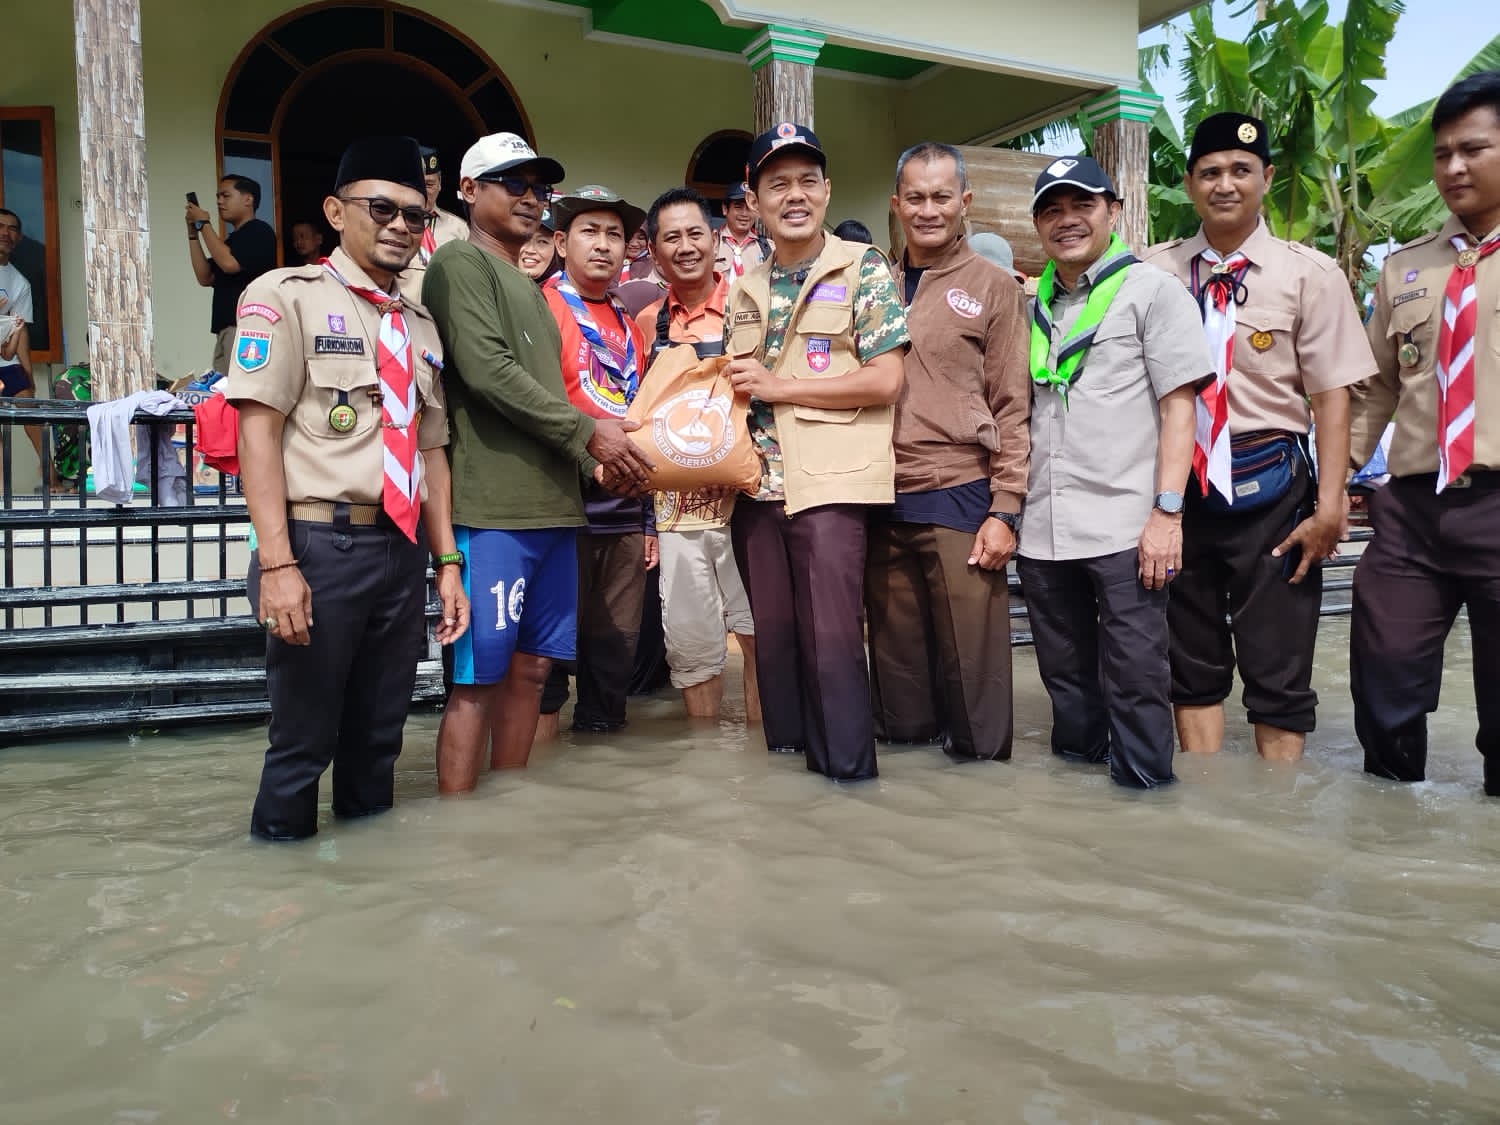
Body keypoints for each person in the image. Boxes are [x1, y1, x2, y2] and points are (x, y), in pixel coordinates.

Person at [224, 136, 468, 841]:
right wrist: (277, 565)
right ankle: (283, 901)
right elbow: (257, 434)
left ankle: (369, 915)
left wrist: (445, 562)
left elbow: (432, 451)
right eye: (381, 208)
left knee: (378, 745)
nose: (399, 226)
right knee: (301, 747)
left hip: (397, 552)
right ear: (336, 211)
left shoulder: (419, 324)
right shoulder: (284, 297)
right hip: (316, 546)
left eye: (415, 216)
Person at [423, 134, 654, 791]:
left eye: (538, 187)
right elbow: (487, 372)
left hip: (558, 510)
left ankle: (511, 810)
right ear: (468, 190)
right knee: (477, 679)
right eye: (511, 183)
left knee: (532, 672)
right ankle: (464, 829)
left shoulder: (529, 285)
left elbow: (548, 396)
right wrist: (592, 436)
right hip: (493, 510)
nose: (530, 198)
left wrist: (600, 462)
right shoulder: (459, 266)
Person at [1143, 112, 1375, 762]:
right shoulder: (1151, 273)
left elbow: (1332, 396)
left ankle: (1279, 812)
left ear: (1266, 178)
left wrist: (1331, 504)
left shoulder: (1312, 274)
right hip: (1178, 493)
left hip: (1273, 491)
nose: (1225, 184)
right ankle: (1212, 814)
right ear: (1189, 183)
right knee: (1190, 666)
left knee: (1279, 674)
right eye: (1210, 171)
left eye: (1241, 170)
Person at [1015, 156, 1212, 790]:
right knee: (1066, 683)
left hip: (1127, 527)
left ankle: (1148, 807)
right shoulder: (1031, 306)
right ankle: (1077, 821)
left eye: (1082, 206)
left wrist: (1167, 512)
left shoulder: (1152, 291)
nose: (1066, 220)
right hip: (1044, 529)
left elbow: (1179, 406)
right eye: (1052, 209)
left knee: (1136, 678)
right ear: (1037, 224)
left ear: (1113, 212)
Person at [725, 122, 909, 782]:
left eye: (807, 181)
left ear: (827, 191)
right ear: (753, 201)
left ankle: (849, 787)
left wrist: (784, 386)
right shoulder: (744, 287)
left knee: (833, 648)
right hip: (754, 493)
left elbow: (887, 376)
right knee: (775, 651)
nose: (794, 195)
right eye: (777, 184)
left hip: (831, 485)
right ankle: (791, 810)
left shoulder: (862, 269)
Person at [1348, 71, 1500, 796]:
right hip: (1409, 510)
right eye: (1442, 154)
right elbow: (1376, 387)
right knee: (1384, 689)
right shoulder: (1405, 268)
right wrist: (1339, 479)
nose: (1453, 168)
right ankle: (1386, 864)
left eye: (1474, 149)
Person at [870, 142, 1029, 761]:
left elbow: (1014, 403)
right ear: (896, 204)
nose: (928, 210)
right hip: (879, 495)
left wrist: (1006, 506)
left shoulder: (993, 288)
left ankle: (985, 816)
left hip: (961, 493)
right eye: (915, 197)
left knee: (976, 688)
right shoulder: (869, 282)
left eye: (941, 197)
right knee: (897, 683)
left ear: (964, 203)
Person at [636, 187, 760, 721]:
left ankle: (763, 749)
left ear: (716, 240)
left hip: (747, 508)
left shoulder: (752, 304)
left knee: (759, 637)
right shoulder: (645, 324)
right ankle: (705, 758)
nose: (686, 247)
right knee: (691, 650)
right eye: (671, 238)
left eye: (695, 234)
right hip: (675, 516)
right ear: (655, 252)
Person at [541, 185, 656, 734]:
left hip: (625, 511)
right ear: (561, 242)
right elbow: (533, 405)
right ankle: (531, 785)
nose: (605, 245)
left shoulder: (628, 324)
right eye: (590, 231)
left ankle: (603, 781)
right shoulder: (541, 308)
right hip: (560, 507)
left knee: (613, 658)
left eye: (615, 234)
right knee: (542, 667)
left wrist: (649, 515)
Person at [187, 175, 277, 375]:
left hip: (245, 330)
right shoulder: (230, 242)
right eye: (218, 196)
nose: (219, 201)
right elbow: (205, 277)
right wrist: (193, 234)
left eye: (226, 195)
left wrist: (204, 224)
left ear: (248, 199)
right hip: (225, 330)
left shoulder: (259, 231)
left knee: (237, 395)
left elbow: (229, 264)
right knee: (223, 395)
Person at [0, 207, 49, 487]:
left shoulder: (19, 282)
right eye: (1, 226)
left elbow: (21, 332)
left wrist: (28, 374)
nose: (6, 233)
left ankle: (52, 479)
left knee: (32, 411)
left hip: (5, 362)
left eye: (12, 228)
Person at [400, 145, 469, 303]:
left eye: (429, 184)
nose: (423, 191)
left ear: (440, 184)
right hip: (405, 314)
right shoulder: (394, 225)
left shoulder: (459, 228)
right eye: (417, 184)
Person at [714, 180, 770, 280]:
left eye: (749, 208)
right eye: (738, 207)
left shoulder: (768, 247)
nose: (744, 213)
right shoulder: (711, 244)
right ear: (725, 209)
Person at [517, 208, 560, 283]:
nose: (530, 250)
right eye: (524, 239)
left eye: (542, 242)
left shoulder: (564, 292)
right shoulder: (499, 283)